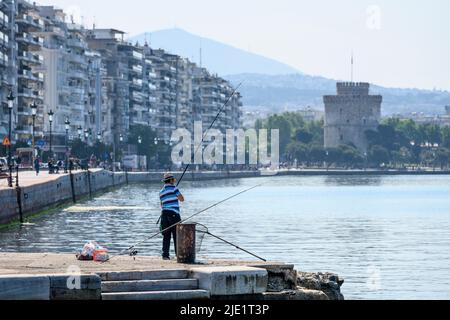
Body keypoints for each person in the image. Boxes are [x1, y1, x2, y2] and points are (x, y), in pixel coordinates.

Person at [159, 173, 185, 260]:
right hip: (174, 214)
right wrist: (175, 193)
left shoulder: (161, 192)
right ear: (170, 181)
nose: (173, 182)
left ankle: (165, 255)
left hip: (164, 215)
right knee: (177, 235)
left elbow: (162, 205)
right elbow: (182, 199)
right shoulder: (174, 188)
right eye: (172, 180)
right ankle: (179, 254)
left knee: (166, 235)